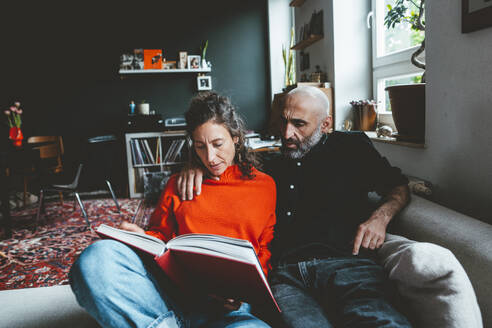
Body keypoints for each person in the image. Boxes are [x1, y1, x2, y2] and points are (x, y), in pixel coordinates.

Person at [177, 86, 412, 327]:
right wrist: (195, 166)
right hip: (287, 277)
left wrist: (380, 218)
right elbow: (218, 155)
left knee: (382, 322)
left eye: (299, 124)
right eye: (283, 121)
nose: (287, 133)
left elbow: (399, 187)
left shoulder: (351, 148)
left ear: (325, 124)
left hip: (348, 266)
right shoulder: (265, 165)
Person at [69, 92, 276, 328]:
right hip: (171, 297)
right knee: (96, 260)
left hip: (231, 311)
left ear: (236, 138)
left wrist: (242, 291)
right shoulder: (179, 183)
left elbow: (264, 252)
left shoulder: (264, 186)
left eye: (218, 144)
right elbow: (160, 237)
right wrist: (139, 236)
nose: (210, 157)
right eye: (200, 146)